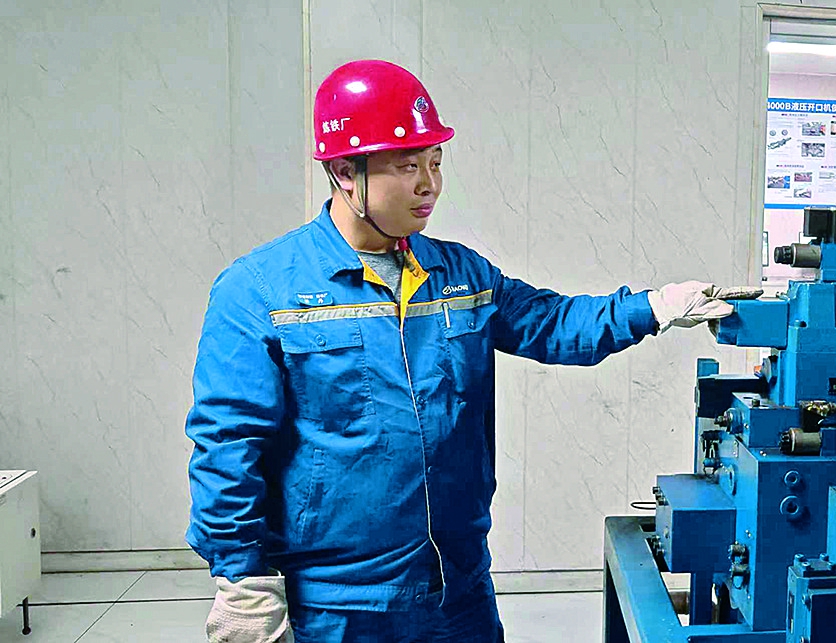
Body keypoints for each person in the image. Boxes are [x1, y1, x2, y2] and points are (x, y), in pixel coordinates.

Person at [186, 59, 738, 642]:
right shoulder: (260, 290)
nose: (429, 184)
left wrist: (655, 306)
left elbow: (552, 323)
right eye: (408, 166)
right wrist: (243, 579)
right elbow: (229, 441)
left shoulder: (460, 275)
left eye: (435, 161)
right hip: (338, 604)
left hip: (457, 592)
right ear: (346, 172)